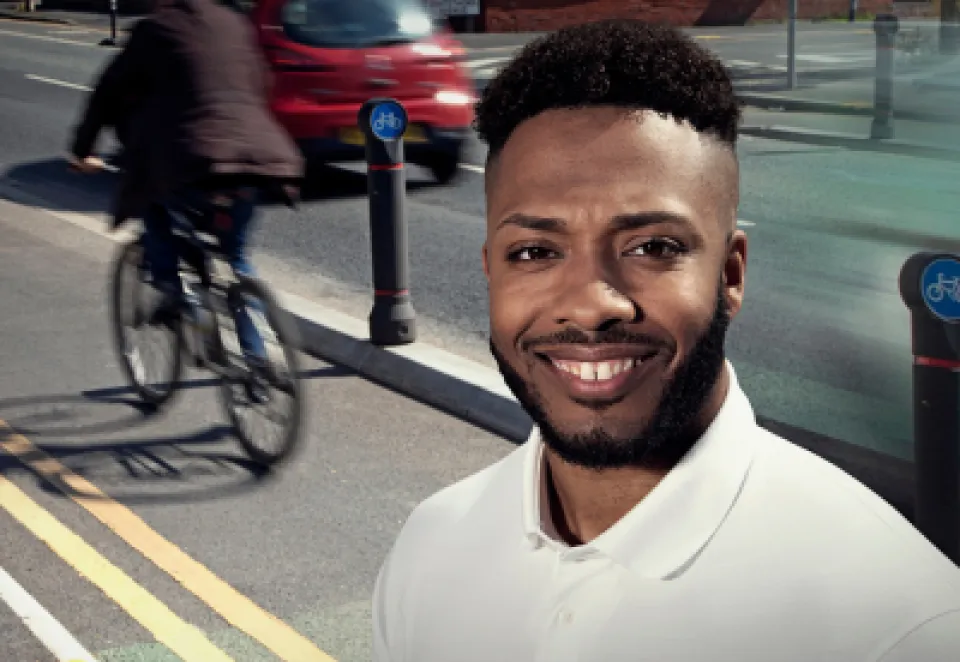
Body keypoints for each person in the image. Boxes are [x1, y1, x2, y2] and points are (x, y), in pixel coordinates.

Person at [371, 19, 960, 662]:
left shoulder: (900, 625)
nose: (592, 306)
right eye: (535, 251)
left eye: (654, 247)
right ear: (491, 270)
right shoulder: (429, 547)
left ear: (730, 275)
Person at [67, 0, 303, 365]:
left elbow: (108, 92)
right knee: (236, 256)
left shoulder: (154, 30)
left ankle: (170, 288)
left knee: (154, 201)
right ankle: (259, 359)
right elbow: (262, 82)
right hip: (258, 153)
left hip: (194, 157)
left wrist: (83, 150)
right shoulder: (235, 23)